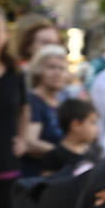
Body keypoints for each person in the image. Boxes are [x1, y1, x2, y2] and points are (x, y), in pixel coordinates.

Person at [0, 5, 28, 208]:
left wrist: (23, 137)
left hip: (4, 160)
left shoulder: (15, 73)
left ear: (5, 34)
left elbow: (24, 107)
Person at [20, 44, 71, 176]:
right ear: (38, 70)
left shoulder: (63, 102)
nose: (57, 73)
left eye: (62, 68)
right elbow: (30, 142)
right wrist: (66, 153)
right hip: (35, 177)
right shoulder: (32, 100)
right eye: (51, 67)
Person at [39, 99, 99, 174]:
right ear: (75, 125)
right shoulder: (54, 157)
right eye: (92, 122)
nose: (96, 128)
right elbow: (47, 184)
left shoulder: (93, 153)